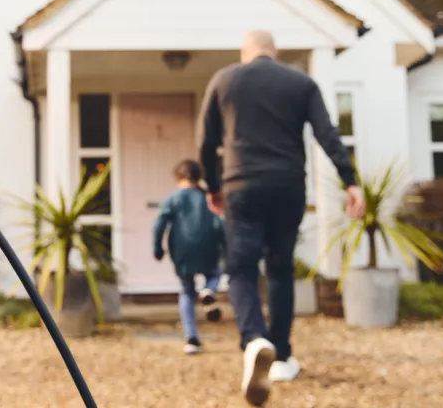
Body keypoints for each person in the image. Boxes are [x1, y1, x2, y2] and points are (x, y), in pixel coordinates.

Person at [197, 30, 365, 406]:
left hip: (241, 186)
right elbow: (328, 134)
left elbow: (206, 142)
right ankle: (282, 357)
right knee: (280, 270)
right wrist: (350, 182)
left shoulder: (225, 80)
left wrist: (212, 186)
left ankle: (254, 338)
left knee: (241, 269)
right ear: (275, 52)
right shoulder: (301, 82)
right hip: (288, 187)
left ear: (245, 54)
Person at [153, 159, 226, 355]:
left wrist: (157, 248)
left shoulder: (172, 199)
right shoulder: (207, 198)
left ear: (179, 177)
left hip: (182, 249)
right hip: (208, 246)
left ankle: (192, 338)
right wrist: (225, 247)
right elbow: (219, 224)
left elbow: (160, 224)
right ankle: (208, 290)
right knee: (215, 274)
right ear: (198, 177)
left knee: (186, 290)